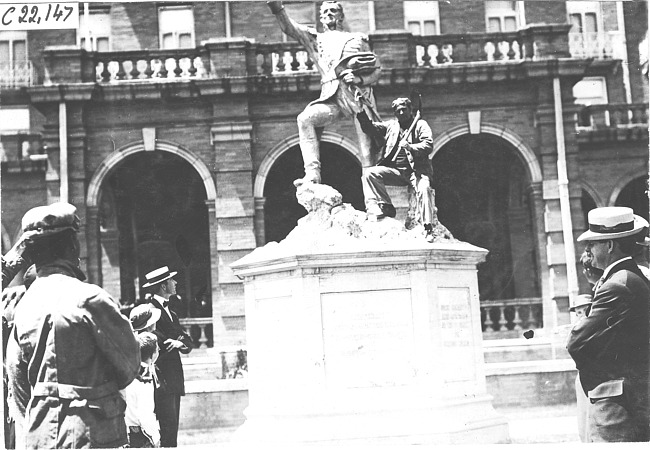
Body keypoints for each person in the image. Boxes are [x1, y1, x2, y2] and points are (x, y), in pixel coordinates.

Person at [5, 202, 141, 448]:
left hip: (40, 435)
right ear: (72, 246)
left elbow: (18, 383)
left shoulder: (22, 307)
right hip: (94, 433)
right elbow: (129, 365)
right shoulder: (90, 298)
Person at [267, 0, 382, 186]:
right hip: (332, 95)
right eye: (326, 11)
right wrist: (277, 7)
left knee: (367, 151)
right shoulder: (315, 39)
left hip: (359, 96)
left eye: (334, 10)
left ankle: (374, 204)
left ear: (341, 16)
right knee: (305, 119)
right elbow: (289, 28)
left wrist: (359, 80)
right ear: (320, 17)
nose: (329, 13)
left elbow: (376, 70)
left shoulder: (357, 40)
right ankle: (312, 174)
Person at [567, 206, 650, 442]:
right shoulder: (629, 277)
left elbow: (576, 342)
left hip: (617, 405)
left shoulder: (618, 284)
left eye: (593, 244)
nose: (589, 250)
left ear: (610, 245)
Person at [356, 97, 436, 239]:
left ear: (410, 110)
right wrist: (360, 110)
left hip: (415, 172)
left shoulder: (420, 124)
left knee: (424, 189)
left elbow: (428, 145)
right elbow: (369, 128)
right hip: (396, 172)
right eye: (397, 110)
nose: (401, 112)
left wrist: (410, 147)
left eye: (403, 109)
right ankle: (386, 205)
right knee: (370, 173)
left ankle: (428, 227)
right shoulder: (391, 126)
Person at [142, 266, 193, 447]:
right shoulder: (150, 310)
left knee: (171, 430)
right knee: (165, 431)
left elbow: (188, 341)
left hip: (172, 378)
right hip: (160, 377)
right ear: (163, 286)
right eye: (172, 280)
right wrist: (177, 340)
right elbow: (154, 340)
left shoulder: (172, 312)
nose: (176, 283)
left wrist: (180, 342)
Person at [123, 332, 161, 448]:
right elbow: (145, 414)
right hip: (141, 435)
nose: (159, 349)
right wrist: (155, 437)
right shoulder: (144, 377)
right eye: (157, 348)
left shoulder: (129, 370)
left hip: (127, 432)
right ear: (153, 353)